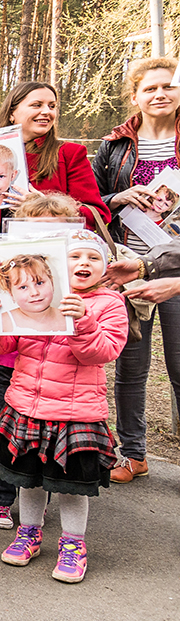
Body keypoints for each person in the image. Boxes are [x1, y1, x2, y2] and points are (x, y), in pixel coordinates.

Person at [0, 231, 127, 583]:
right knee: (29, 480)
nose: (83, 264)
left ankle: (74, 545)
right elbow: (2, 344)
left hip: (76, 414)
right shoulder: (36, 295)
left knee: (72, 485)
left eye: (92, 258)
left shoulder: (108, 305)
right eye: (74, 257)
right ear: (57, 263)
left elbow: (103, 352)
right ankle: (29, 533)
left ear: (104, 267)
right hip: (27, 405)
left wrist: (83, 321)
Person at [93, 55, 179, 483]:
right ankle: (134, 454)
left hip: (177, 271)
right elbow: (93, 204)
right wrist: (119, 197)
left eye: (168, 86)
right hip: (129, 264)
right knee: (132, 367)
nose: (160, 94)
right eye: (150, 88)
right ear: (135, 96)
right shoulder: (113, 146)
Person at [0, 81, 109, 228]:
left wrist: (45, 207)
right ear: (12, 113)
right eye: (36, 105)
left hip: (51, 247)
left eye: (52, 106)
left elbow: (96, 214)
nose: (47, 111)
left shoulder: (70, 154)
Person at [0, 253, 67, 333]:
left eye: (39, 283)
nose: (34, 293)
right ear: (11, 294)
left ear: (52, 284)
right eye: (23, 287)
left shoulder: (67, 318)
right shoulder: (4, 322)